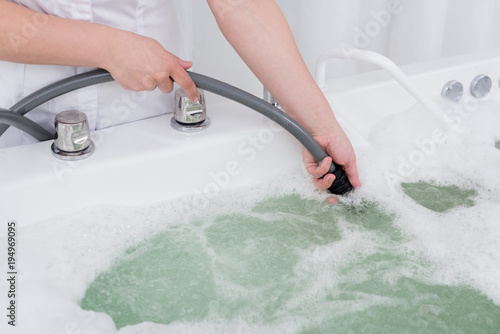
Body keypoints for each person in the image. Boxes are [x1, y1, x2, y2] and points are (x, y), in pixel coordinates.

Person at [0, 0, 361, 199]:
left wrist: (320, 127)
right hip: (29, 105)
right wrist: (107, 47)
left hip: (150, 106)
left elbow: (239, 6)